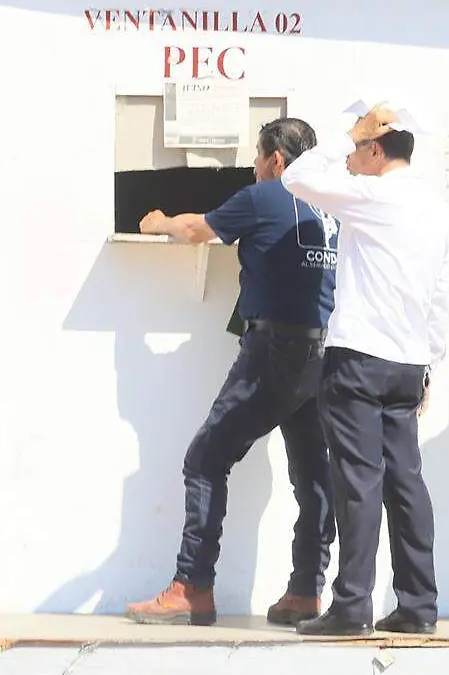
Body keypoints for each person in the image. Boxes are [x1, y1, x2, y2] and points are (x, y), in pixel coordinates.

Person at [124, 117, 338, 627]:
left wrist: (159, 221)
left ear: (276, 160)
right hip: (321, 352)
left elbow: (196, 229)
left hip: (273, 350)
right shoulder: (330, 207)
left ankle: (191, 587)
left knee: (205, 459)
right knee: (313, 476)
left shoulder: (266, 196)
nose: (254, 169)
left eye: (257, 159)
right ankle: (306, 591)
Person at [280, 103, 449, 637]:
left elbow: (295, 177)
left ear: (376, 149)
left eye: (359, 151)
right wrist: (430, 362)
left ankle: (352, 606)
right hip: (407, 362)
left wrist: (346, 134)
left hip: (358, 357)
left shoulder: (372, 195)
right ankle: (418, 605)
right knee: (406, 482)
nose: (350, 160)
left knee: (357, 481)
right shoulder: (436, 209)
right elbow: (440, 296)